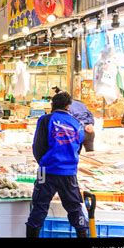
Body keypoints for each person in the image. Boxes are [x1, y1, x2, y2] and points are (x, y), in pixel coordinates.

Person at [26, 92, 87, 238]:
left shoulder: (46, 120)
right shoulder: (77, 123)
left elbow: (37, 146)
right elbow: (78, 147)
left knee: (39, 206)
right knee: (74, 207)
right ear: (68, 106)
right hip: (69, 173)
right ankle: (83, 233)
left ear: (52, 104)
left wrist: (43, 162)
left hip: (46, 171)